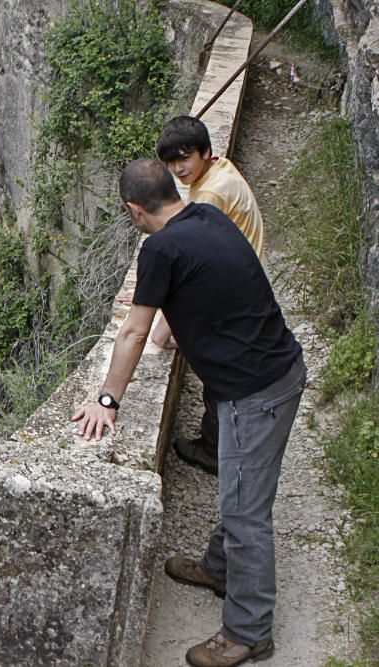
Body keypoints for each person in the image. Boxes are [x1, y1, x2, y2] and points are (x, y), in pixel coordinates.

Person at [72, 159, 305, 667]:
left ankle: (249, 631)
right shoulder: (207, 216)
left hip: (255, 391)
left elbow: (134, 332)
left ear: (134, 210)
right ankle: (220, 569)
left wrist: (107, 400)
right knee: (241, 489)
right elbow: (205, 292)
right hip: (277, 371)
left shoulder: (160, 248)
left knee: (247, 514)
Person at [156, 115, 266, 478]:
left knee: (216, 371)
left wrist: (165, 320)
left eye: (185, 158)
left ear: (206, 152)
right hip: (248, 273)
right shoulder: (219, 171)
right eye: (171, 162)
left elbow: (191, 261)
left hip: (235, 291)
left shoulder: (210, 195)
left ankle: (214, 451)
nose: (178, 168)